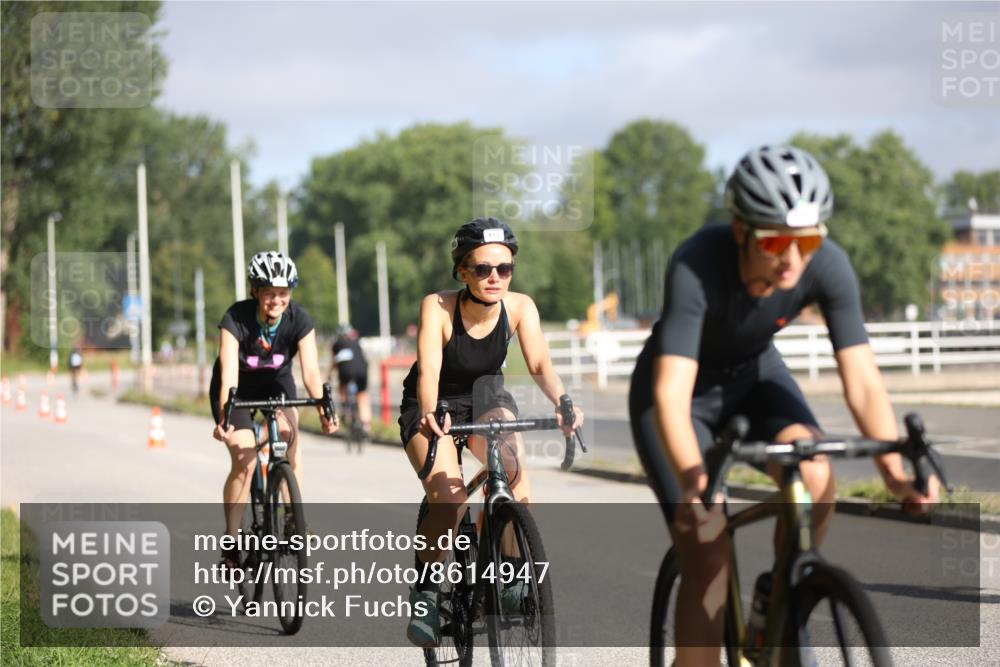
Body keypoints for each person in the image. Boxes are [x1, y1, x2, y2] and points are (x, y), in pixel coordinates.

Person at [628, 145, 940, 666]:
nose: (792, 258)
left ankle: (775, 600)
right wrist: (694, 482)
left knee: (816, 477)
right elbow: (670, 395)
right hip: (681, 396)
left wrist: (892, 469)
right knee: (707, 552)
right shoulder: (697, 263)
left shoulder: (829, 266)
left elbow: (862, 378)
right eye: (775, 240)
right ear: (741, 231)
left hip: (755, 376)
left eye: (808, 240)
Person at [399, 217, 584, 647]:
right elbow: (430, 369)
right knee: (449, 499)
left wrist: (562, 401)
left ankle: (511, 582)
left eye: (504, 268)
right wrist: (430, 412)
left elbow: (539, 365)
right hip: (432, 403)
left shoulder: (521, 308)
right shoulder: (439, 307)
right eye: (482, 269)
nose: (494, 277)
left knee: (516, 480)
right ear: (462, 271)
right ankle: (426, 590)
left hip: (486, 397)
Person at [210, 251, 338, 569]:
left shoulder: (300, 320)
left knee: (289, 438)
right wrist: (226, 415)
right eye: (269, 293)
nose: (276, 300)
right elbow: (227, 373)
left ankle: (293, 518)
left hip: (276, 385)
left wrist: (325, 406)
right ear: (255, 291)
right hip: (237, 389)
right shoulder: (235, 319)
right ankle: (231, 541)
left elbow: (310, 372)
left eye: (283, 293)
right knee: (245, 459)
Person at [329, 323, 371, 439]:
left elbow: (334, 363)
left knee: (342, 387)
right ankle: (366, 425)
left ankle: (345, 408)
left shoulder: (336, 344)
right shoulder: (356, 342)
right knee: (362, 396)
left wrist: (329, 375)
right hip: (362, 370)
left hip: (346, 371)